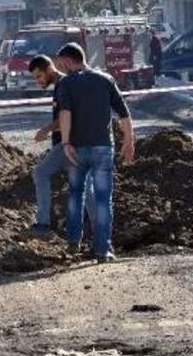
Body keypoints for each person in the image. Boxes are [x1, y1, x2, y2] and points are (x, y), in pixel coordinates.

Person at [56, 43, 135, 263]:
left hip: (77, 149)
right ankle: (103, 250)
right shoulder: (106, 80)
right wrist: (129, 140)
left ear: (70, 61)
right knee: (103, 200)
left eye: (62, 64)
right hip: (103, 147)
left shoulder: (66, 83)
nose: (61, 69)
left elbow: (65, 113)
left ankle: (74, 243)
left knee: (75, 194)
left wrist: (65, 143)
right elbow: (124, 114)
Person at [28, 55, 95, 237]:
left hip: (70, 143)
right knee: (84, 187)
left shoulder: (64, 85)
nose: (37, 81)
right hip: (78, 143)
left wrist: (46, 129)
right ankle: (100, 230)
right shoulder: (65, 83)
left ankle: (43, 225)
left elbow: (67, 113)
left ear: (49, 69)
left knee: (40, 173)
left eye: (39, 76)